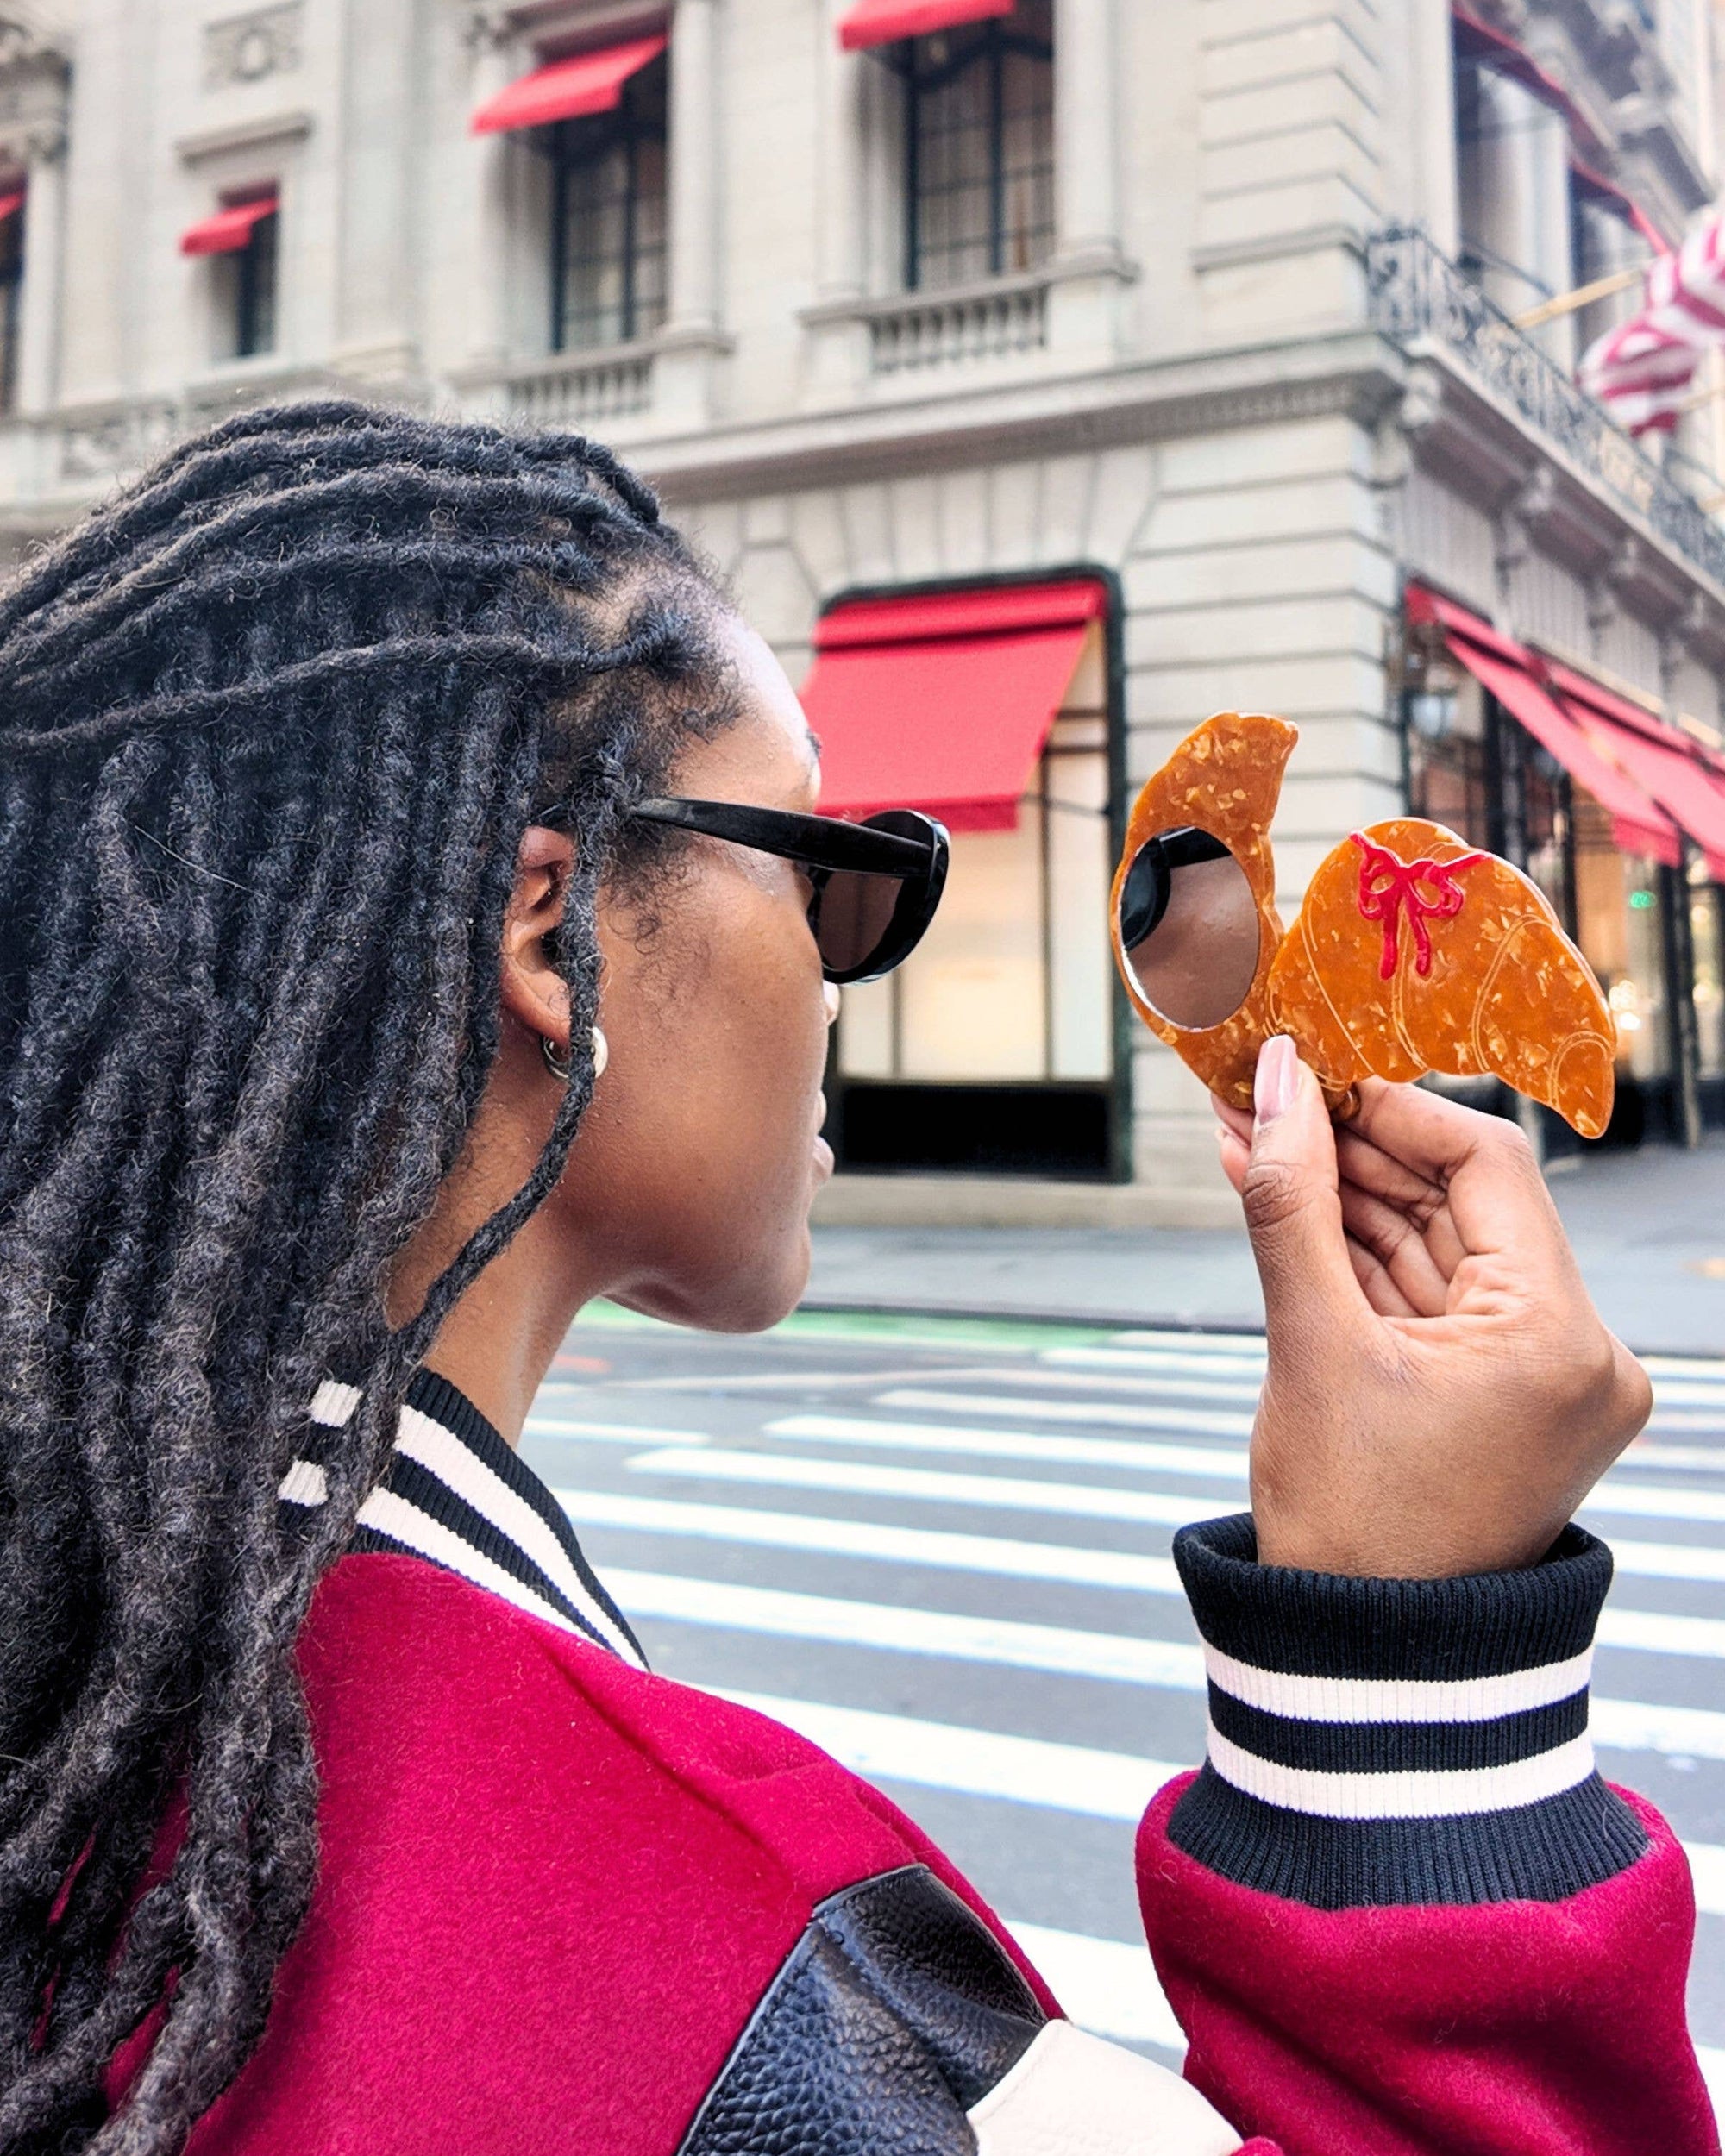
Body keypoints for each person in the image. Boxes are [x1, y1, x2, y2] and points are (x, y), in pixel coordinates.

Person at [0, 402, 1711, 2156]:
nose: (846, 984)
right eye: (836, 880)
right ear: (547, 931)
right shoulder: (741, 1946)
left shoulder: (83, 1658)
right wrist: (1424, 1678)